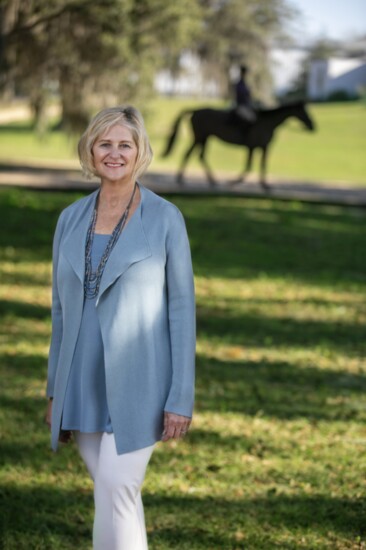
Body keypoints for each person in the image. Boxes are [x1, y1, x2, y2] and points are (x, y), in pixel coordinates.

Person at [45, 105, 196, 550]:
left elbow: (182, 309)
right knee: (112, 495)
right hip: (82, 379)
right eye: (104, 144)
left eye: (124, 145)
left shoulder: (166, 218)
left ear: (140, 152)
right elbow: (59, 310)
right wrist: (56, 389)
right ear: (90, 152)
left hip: (143, 382)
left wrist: (180, 398)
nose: (114, 153)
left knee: (117, 487)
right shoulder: (70, 218)